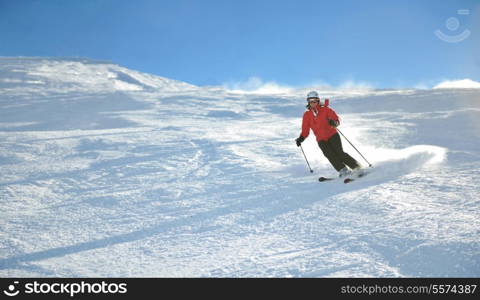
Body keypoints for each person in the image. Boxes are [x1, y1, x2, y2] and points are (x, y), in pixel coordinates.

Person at [295, 91, 361, 177]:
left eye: (314, 101)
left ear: (318, 101)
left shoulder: (326, 110)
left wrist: (334, 123)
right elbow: (305, 130)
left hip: (332, 134)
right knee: (329, 154)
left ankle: (357, 167)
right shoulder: (307, 115)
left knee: (339, 152)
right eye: (311, 101)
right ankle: (343, 170)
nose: (313, 103)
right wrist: (301, 138)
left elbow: (336, 120)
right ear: (308, 102)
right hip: (321, 139)